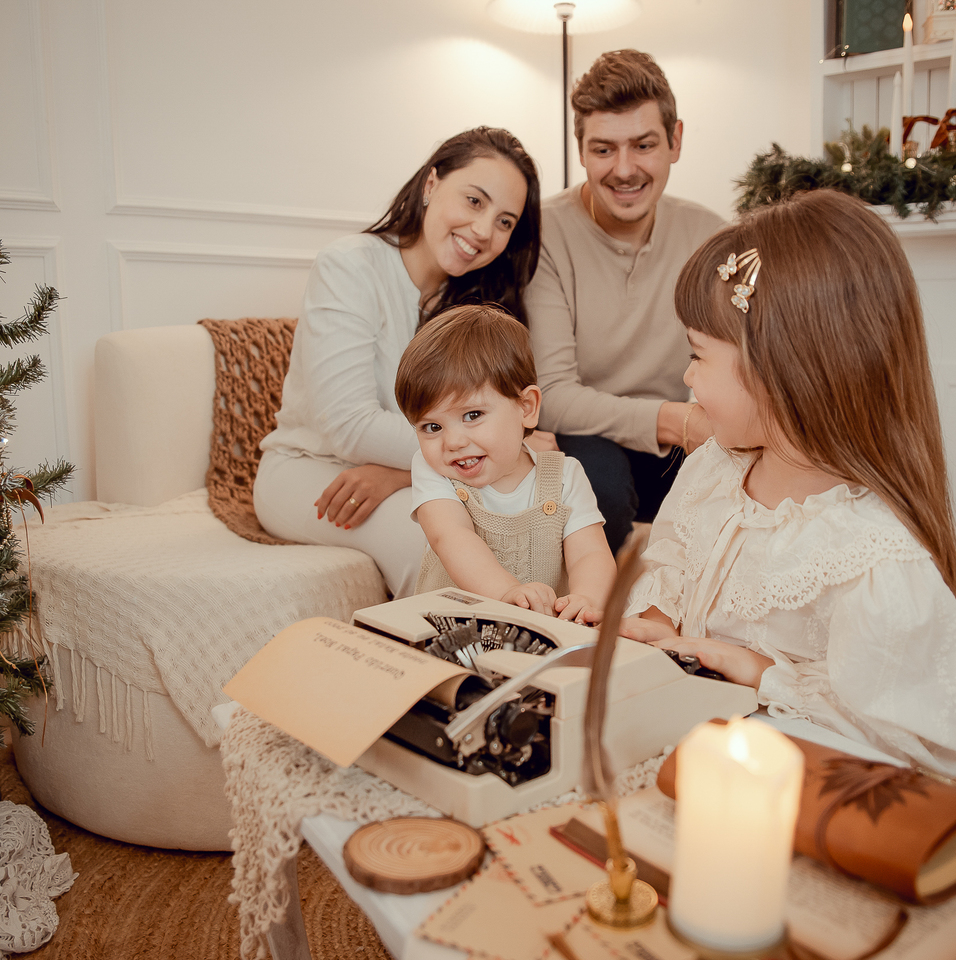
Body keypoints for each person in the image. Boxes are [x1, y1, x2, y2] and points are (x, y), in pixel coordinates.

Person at [620, 190, 956, 777]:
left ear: (780, 369)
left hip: (782, 780)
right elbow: (672, 561)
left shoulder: (873, 559)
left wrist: (762, 673)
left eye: (697, 356)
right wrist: (656, 624)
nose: (686, 377)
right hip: (677, 732)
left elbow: (909, 751)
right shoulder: (715, 467)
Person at [254, 128, 542, 598]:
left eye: (505, 221)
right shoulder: (349, 267)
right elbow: (348, 425)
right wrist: (441, 461)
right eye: (474, 201)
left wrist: (403, 473)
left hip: (412, 470)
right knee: (435, 546)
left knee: (529, 525)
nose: (485, 230)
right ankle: (454, 672)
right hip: (312, 470)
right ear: (431, 185)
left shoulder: (480, 304)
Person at [526, 49, 725, 553]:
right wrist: (674, 421)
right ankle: (600, 620)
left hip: (677, 437)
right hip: (582, 435)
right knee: (598, 489)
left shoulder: (711, 235)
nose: (624, 169)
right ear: (582, 151)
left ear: (675, 140)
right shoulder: (544, 235)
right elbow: (553, 393)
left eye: (643, 145)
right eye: (603, 150)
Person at [395, 305, 615, 622]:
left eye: (472, 415)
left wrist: (587, 599)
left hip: (542, 634)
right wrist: (505, 593)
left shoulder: (565, 476)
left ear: (526, 407)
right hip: (450, 631)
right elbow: (452, 537)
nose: (453, 442)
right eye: (432, 427)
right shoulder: (433, 472)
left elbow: (590, 553)